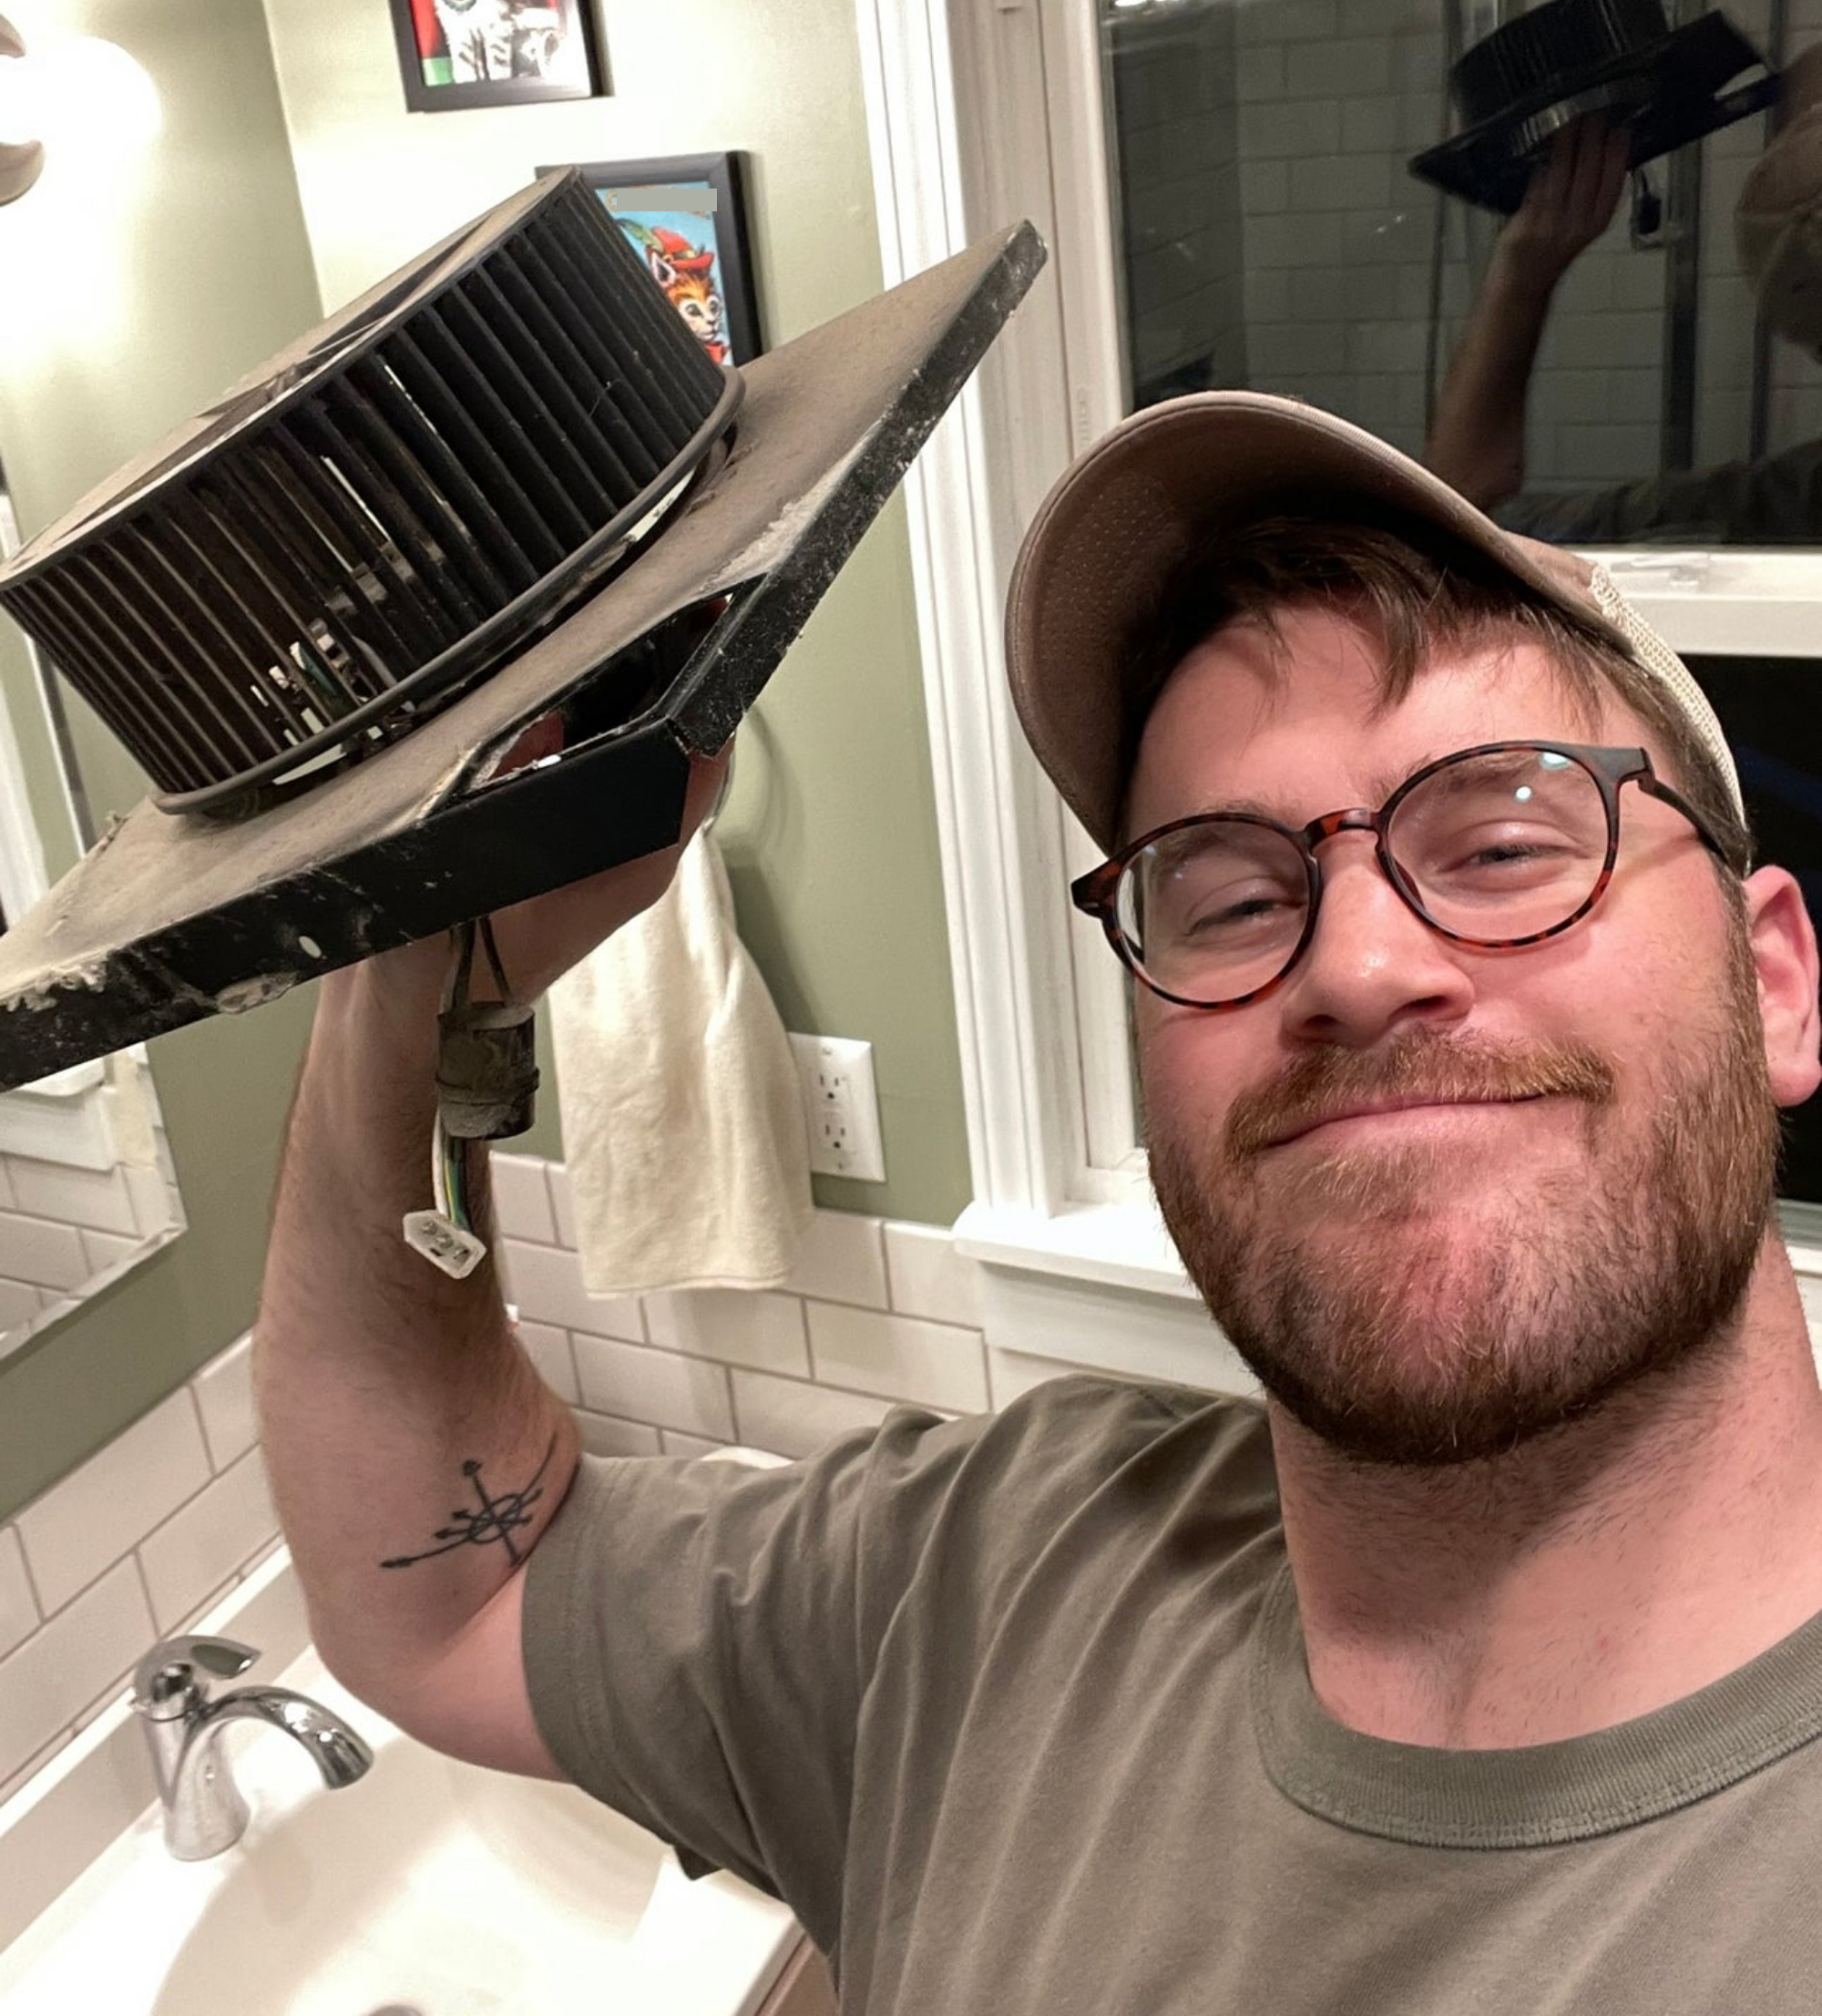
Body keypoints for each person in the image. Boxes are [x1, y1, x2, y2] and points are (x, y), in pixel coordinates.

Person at [258, 394, 1822, 2012]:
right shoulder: (996, 1563)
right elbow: (451, 1603)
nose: (1355, 964)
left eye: (1502, 840)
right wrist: (417, 988)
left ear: (1775, 981)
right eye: (1228, 893)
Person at [1426, 54, 1822, 541]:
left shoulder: (1784, 516)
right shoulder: (1786, 508)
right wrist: (1521, 276)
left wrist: (1520, 281)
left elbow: (1458, 519)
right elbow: (1461, 525)